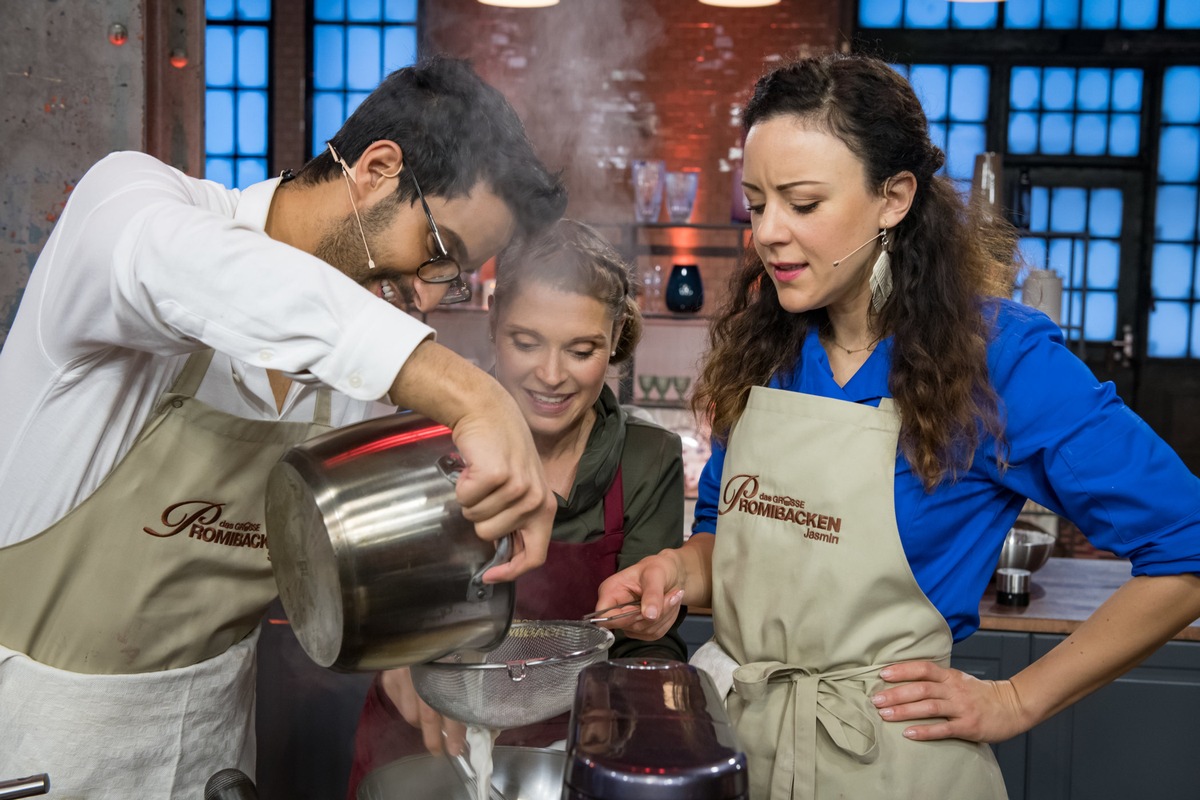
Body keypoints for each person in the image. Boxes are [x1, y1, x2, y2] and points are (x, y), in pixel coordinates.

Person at [594, 53, 1200, 799]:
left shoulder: (998, 359)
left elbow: (1185, 546)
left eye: (803, 203)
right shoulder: (766, 348)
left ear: (895, 198)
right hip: (740, 750)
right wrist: (677, 577)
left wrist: (1015, 699)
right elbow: (730, 546)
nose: (769, 233)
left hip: (893, 765)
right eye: (756, 203)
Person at [0, 56, 567, 798]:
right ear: (377, 168)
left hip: (212, 754)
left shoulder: (355, 381)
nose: (429, 300)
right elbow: (210, 273)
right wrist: (476, 396)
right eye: (440, 254)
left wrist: (406, 636)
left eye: (452, 280)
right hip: (41, 748)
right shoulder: (132, 210)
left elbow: (341, 565)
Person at [345, 219, 688, 797]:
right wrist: (390, 653)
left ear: (614, 340)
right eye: (526, 342)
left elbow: (645, 646)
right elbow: (363, 602)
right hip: (421, 736)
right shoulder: (426, 440)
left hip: (574, 750)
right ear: (494, 322)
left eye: (581, 350)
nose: (551, 376)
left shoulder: (647, 459)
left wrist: (651, 622)